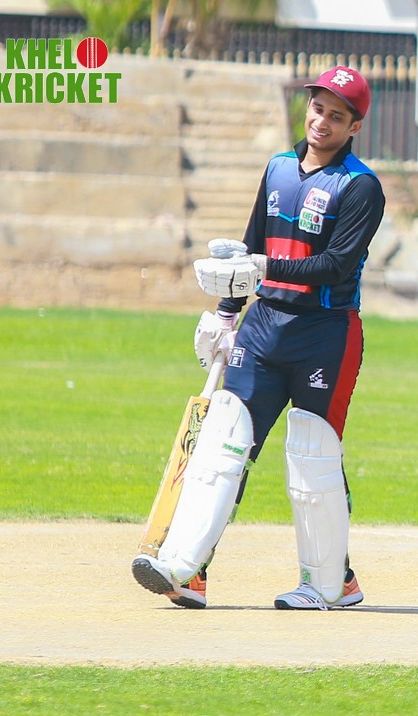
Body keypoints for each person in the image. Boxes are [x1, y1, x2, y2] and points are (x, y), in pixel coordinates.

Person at [131, 65, 386, 611]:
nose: (321, 122)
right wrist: (226, 315)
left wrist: (267, 266)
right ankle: (186, 568)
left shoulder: (361, 186)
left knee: (313, 454)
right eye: (317, 108)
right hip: (264, 326)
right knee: (224, 441)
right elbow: (250, 247)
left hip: (326, 332)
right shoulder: (277, 168)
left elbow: (337, 265)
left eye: (336, 116)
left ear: (354, 127)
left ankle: (330, 583)